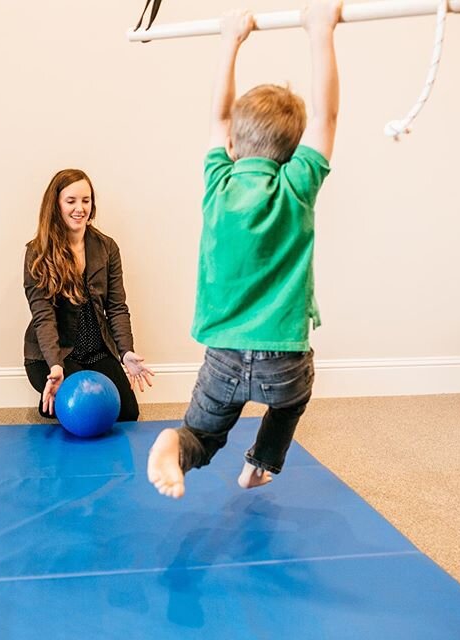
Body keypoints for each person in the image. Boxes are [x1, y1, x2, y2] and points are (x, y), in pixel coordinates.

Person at [148, 0, 341, 498]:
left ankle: (178, 444)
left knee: (205, 434)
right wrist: (320, 30)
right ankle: (262, 462)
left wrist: (230, 41)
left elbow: (217, 115)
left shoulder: (218, 182)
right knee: (292, 402)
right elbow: (327, 114)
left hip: (224, 354)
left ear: (232, 143)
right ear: (295, 151)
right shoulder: (297, 186)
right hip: (283, 359)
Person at [23, 168, 154, 421]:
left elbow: (117, 307)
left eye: (86, 200)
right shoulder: (37, 252)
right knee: (85, 411)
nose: (79, 208)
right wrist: (55, 365)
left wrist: (126, 352)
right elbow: (43, 317)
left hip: (95, 348)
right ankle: (54, 393)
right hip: (53, 356)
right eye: (70, 201)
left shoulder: (107, 248)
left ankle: (57, 401)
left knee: (127, 414)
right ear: (56, 205)